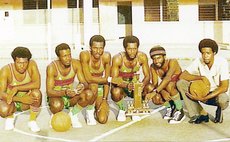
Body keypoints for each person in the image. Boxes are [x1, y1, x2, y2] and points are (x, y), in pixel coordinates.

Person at [177, 38, 229, 124]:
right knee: (181, 83)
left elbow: (224, 87)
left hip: (216, 94)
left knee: (223, 99)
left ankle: (219, 109)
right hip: (203, 91)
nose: (205, 56)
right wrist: (200, 77)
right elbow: (182, 76)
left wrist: (204, 98)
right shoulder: (199, 61)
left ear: (214, 53)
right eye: (203, 53)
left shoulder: (222, 62)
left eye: (208, 53)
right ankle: (201, 114)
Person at [46, 43, 93, 128]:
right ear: (58, 57)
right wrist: (64, 92)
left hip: (70, 96)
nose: (68, 58)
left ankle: (73, 115)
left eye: (69, 55)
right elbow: (49, 92)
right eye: (64, 56)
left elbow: (85, 82)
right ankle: (54, 116)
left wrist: (82, 85)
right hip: (57, 96)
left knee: (88, 94)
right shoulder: (52, 67)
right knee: (56, 105)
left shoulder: (76, 63)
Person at [0, 47, 42, 132]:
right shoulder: (6, 70)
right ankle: (10, 117)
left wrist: (17, 88)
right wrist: (21, 99)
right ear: (14, 61)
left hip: (28, 100)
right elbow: (1, 94)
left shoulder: (32, 65)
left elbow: (37, 84)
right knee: (3, 110)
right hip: (12, 101)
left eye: (25, 63)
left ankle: (32, 121)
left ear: (28, 61)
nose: (22, 66)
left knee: (37, 94)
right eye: (19, 63)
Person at [110, 35, 150, 121]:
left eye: (135, 49)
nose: (132, 52)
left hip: (134, 85)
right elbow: (114, 80)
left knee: (148, 87)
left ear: (138, 48)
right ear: (125, 48)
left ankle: (136, 107)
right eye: (129, 49)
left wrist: (142, 84)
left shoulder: (142, 57)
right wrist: (126, 85)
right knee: (115, 92)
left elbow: (147, 76)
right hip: (121, 86)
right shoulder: (118, 58)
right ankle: (122, 109)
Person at [144, 46, 185, 124]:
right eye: (154, 59)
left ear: (164, 57)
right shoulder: (153, 66)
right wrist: (162, 92)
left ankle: (180, 110)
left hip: (180, 90)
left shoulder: (172, 62)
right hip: (168, 89)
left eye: (159, 58)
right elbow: (155, 84)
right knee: (154, 94)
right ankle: (171, 107)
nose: (156, 61)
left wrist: (155, 92)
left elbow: (168, 78)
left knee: (168, 85)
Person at [80, 35, 111, 124]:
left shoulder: (106, 56)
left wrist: (105, 99)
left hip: (100, 88)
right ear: (90, 47)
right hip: (87, 88)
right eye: (95, 48)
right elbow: (88, 79)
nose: (98, 51)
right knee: (93, 85)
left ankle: (96, 108)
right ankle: (89, 111)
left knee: (102, 119)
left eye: (101, 48)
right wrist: (107, 79)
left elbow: (107, 82)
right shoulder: (84, 55)